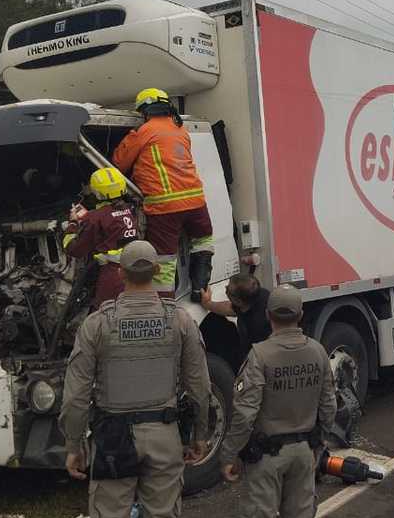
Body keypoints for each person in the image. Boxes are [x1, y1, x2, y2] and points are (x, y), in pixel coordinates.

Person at [59, 240, 212, 518]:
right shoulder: (180, 321)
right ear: (157, 271)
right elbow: (199, 386)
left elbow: (75, 396)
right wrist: (199, 434)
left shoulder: (97, 324)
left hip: (113, 440)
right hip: (164, 435)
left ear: (120, 272)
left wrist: (74, 445)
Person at [220, 285, 337, 518]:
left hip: (266, 457)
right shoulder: (318, 352)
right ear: (300, 315)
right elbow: (329, 407)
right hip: (303, 452)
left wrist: (228, 455)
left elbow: (246, 413)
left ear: (268, 314)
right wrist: (318, 445)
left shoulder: (260, 355)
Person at [112, 88, 214, 302]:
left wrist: (131, 136)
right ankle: (200, 291)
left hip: (164, 207)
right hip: (196, 202)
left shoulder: (145, 131)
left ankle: (165, 304)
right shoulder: (181, 131)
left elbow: (119, 163)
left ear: (144, 111)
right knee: (203, 240)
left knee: (165, 260)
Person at [63, 168, 140, 310]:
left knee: (106, 314)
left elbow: (75, 250)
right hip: (138, 271)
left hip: (113, 275)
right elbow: (113, 217)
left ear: (96, 192)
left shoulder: (95, 219)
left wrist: (72, 224)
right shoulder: (132, 208)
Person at [200, 273, 272, 356]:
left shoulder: (257, 327)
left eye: (228, 290)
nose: (225, 288)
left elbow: (256, 355)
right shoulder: (258, 294)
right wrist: (207, 304)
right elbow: (231, 308)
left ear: (238, 301)